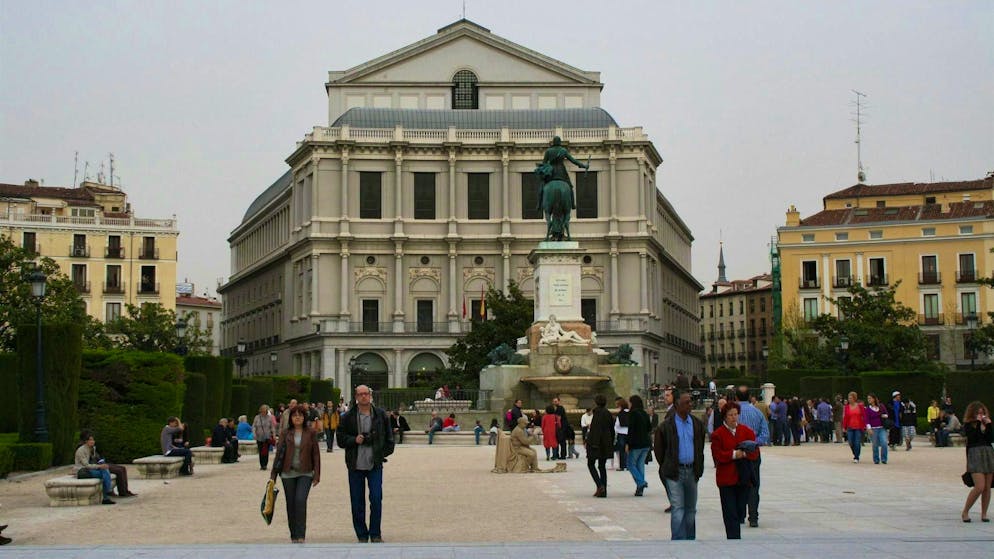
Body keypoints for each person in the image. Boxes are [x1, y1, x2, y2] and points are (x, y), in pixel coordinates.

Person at [337, 385, 395, 543]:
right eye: (360, 394)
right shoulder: (347, 417)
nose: (364, 397)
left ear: (370, 395)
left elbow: (390, 439)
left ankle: (375, 533)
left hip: (374, 464)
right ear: (356, 396)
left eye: (366, 394)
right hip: (355, 464)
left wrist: (381, 453)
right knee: (357, 501)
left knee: (376, 498)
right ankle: (362, 534)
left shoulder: (381, 415)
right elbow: (340, 439)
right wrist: (354, 440)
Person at [655, 391, 705, 540]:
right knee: (678, 509)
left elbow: (700, 447)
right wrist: (667, 466)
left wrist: (699, 467)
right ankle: (677, 542)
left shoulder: (697, 424)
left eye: (690, 402)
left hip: (692, 471)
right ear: (677, 404)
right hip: (674, 472)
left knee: (691, 510)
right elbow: (659, 450)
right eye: (686, 402)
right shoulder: (666, 426)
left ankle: (690, 540)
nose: (690, 405)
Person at [271, 405, 320, 543]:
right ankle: (293, 534)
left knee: (300, 500)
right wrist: (273, 476)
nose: (297, 417)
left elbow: (315, 454)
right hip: (288, 472)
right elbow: (279, 454)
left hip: (305, 472)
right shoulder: (285, 433)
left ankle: (301, 535)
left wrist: (317, 474)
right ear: (290, 418)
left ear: (304, 417)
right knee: (291, 503)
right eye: (294, 415)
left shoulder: (310, 432)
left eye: (300, 415)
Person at [711, 401, 759, 539]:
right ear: (725, 417)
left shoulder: (746, 431)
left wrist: (743, 454)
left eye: (735, 414)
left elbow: (755, 452)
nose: (733, 417)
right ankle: (733, 538)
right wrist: (733, 454)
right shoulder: (718, 434)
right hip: (726, 479)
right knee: (729, 512)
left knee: (739, 512)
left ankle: (736, 530)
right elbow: (717, 455)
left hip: (743, 478)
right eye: (730, 415)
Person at [734, 386, 768, 527]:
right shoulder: (758, 413)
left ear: (736, 397)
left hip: (738, 454)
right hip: (754, 454)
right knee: (753, 485)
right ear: (749, 397)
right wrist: (753, 443)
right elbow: (765, 436)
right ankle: (753, 517)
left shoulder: (733, 414)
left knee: (737, 484)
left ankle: (740, 515)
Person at [75, 431, 137, 503]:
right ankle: (108, 493)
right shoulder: (81, 450)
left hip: (91, 469)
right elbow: (86, 465)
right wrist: (100, 466)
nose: (93, 441)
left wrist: (102, 464)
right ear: (86, 441)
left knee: (106, 470)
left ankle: (107, 496)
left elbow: (97, 459)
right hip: (83, 471)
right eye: (90, 440)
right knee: (105, 472)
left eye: (93, 440)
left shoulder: (92, 449)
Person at [960, 401, 994, 522]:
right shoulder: (968, 425)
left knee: (987, 487)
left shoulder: (987, 423)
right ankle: (965, 511)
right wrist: (979, 423)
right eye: (978, 413)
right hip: (975, 455)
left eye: (982, 412)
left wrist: (988, 425)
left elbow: (990, 438)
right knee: (979, 486)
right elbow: (974, 437)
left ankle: (984, 514)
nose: (981, 415)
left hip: (988, 454)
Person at [585, 394, 614, 498]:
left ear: (596, 402)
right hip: (606, 443)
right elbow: (612, 429)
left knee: (591, 464)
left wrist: (591, 443)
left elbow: (595, 430)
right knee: (602, 466)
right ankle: (603, 491)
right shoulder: (608, 413)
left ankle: (599, 485)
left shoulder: (597, 413)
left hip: (596, 444)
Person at [626, 394, 652, 496]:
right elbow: (649, 428)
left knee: (630, 464)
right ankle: (639, 489)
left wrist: (628, 443)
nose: (628, 404)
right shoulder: (644, 413)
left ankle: (641, 482)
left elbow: (631, 430)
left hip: (636, 444)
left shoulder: (632, 414)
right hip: (646, 443)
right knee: (640, 465)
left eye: (629, 402)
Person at [864, 393, 890, 465]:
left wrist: (882, 415)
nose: (869, 400)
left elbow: (887, 414)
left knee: (884, 443)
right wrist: (869, 428)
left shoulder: (881, 406)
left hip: (882, 428)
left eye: (870, 398)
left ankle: (884, 459)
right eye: (868, 398)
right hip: (873, 428)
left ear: (874, 399)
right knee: (875, 445)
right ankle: (876, 459)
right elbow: (867, 419)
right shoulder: (868, 409)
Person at [842, 392, 866, 462]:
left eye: (851, 398)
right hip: (850, 427)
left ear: (854, 398)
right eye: (849, 398)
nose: (849, 399)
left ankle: (856, 457)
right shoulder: (847, 407)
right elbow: (845, 417)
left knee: (857, 442)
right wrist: (844, 427)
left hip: (858, 427)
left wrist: (865, 425)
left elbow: (864, 416)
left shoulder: (860, 406)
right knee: (851, 442)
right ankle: (855, 453)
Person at [253, 405, 276, 469]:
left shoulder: (269, 418)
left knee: (266, 451)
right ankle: (262, 464)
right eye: (262, 410)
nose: (263, 412)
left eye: (265, 410)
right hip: (259, 437)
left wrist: (273, 435)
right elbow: (254, 426)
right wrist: (254, 433)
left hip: (267, 437)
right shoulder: (257, 417)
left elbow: (272, 427)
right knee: (260, 451)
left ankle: (265, 464)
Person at [614, 397, 630, 471]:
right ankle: (629, 465)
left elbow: (617, 424)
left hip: (621, 433)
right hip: (629, 433)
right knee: (629, 449)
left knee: (622, 450)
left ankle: (622, 465)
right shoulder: (630, 412)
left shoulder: (621, 413)